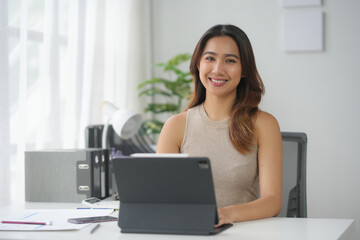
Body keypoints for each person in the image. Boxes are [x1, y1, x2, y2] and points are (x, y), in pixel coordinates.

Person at [156, 24, 283, 227]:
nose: (217, 69)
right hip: (188, 231)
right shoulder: (175, 126)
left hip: (244, 232)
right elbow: (161, 197)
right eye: (210, 58)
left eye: (230, 61)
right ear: (198, 64)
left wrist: (225, 214)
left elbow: (272, 201)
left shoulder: (263, 124)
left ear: (244, 70)